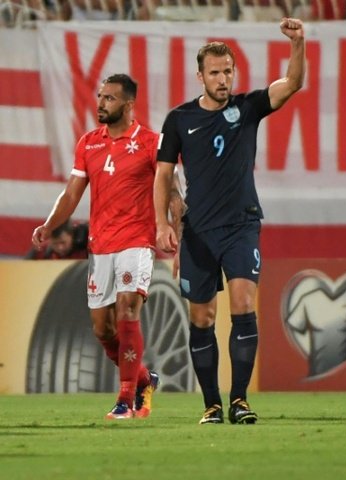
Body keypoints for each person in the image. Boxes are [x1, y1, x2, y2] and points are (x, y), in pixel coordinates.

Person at [153, 18, 306, 425]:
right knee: (202, 318)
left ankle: (239, 401)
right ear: (200, 75)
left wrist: (298, 44)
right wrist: (163, 224)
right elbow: (163, 176)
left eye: (228, 71)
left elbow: (291, 83)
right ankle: (211, 405)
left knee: (243, 305)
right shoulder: (179, 120)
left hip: (241, 226)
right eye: (215, 72)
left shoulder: (248, 107)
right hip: (198, 233)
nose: (223, 79)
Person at [31, 73, 161, 420]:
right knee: (103, 329)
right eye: (101, 96)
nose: (101, 103)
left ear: (129, 104)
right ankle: (145, 380)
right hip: (100, 244)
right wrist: (50, 224)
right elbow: (72, 193)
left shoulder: (151, 142)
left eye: (110, 98)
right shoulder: (88, 142)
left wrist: (170, 227)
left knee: (127, 311)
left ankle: (125, 398)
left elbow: (170, 190)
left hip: (136, 239)